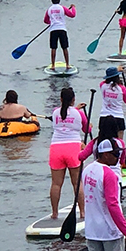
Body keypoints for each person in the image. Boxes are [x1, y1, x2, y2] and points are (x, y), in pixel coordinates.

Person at [44, 86, 87, 217]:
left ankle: (54, 213)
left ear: (61, 99)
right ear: (73, 100)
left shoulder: (55, 112)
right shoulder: (79, 114)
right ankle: (83, 213)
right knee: (76, 183)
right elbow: (87, 130)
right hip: (73, 148)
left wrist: (75, 109)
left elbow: (65, 113)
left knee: (56, 184)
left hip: (56, 148)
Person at [98, 67, 126, 140]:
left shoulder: (102, 85)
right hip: (118, 117)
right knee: (119, 142)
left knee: (103, 139)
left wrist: (116, 70)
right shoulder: (122, 88)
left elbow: (104, 82)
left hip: (104, 116)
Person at [45, 0, 76, 65]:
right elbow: (72, 15)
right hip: (62, 29)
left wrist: (52, 22)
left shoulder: (49, 10)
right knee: (65, 47)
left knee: (53, 48)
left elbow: (46, 21)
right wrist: (73, 8)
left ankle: (53, 65)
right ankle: (67, 64)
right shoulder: (63, 8)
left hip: (53, 30)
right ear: (59, 1)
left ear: (52, 1)